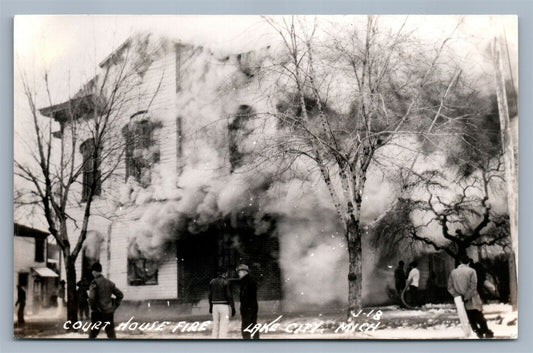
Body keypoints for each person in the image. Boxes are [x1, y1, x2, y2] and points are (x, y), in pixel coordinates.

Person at [448, 255, 494, 338]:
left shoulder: (453, 272)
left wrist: (457, 295)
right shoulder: (472, 271)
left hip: (459, 300)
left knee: (468, 316)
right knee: (478, 315)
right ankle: (485, 330)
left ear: (460, 262)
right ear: (468, 262)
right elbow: (473, 286)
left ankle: (476, 330)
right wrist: (467, 297)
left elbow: (450, 287)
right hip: (472, 298)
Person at [88, 262, 124, 339]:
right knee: (111, 336)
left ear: (94, 272)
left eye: (92, 272)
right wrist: (114, 306)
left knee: (92, 336)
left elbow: (91, 298)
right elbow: (120, 295)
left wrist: (93, 308)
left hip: (97, 313)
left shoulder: (94, 283)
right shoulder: (109, 283)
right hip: (109, 313)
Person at [208, 270, 235, 339]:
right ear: (225, 273)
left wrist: (210, 306)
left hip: (214, 305)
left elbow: (210, 295)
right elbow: (229, 295)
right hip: (224, 305)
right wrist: (232, 307)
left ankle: (214, 339)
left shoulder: (212, 281)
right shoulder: (226, 282)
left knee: (215, 324)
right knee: (223, 324)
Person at [236, 264, 260, 339]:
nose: (238, 274)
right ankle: (256, 339)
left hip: (246, 306)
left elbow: (244, 295)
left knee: (246, 324)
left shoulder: (244, 281)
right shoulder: (252, 280)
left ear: (243, 272)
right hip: (253, 305)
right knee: (253, 323)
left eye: (239, 272)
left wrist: (243, 306)